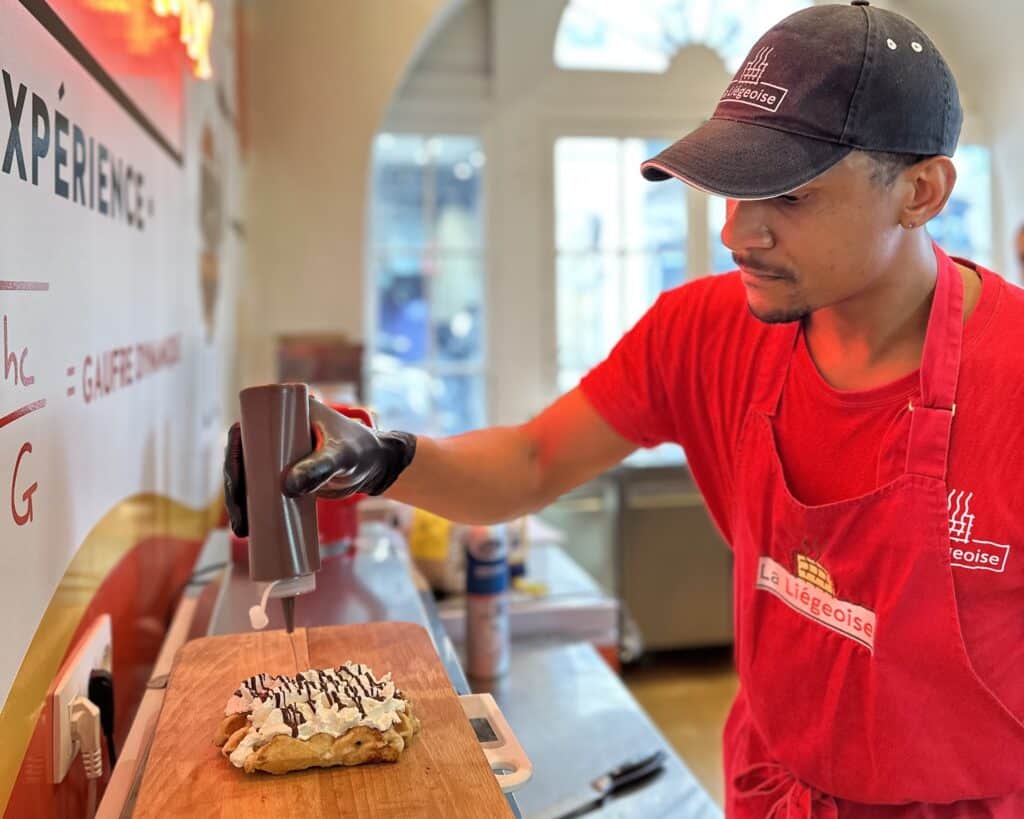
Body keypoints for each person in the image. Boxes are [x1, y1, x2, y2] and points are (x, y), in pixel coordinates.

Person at [225, 2, 1024, 816]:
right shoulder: (706, 333)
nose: (737, 232)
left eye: (787, 195)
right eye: (731, 187)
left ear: (921, 191)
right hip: (772, 791)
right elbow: (532, 463)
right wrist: (384, 458)